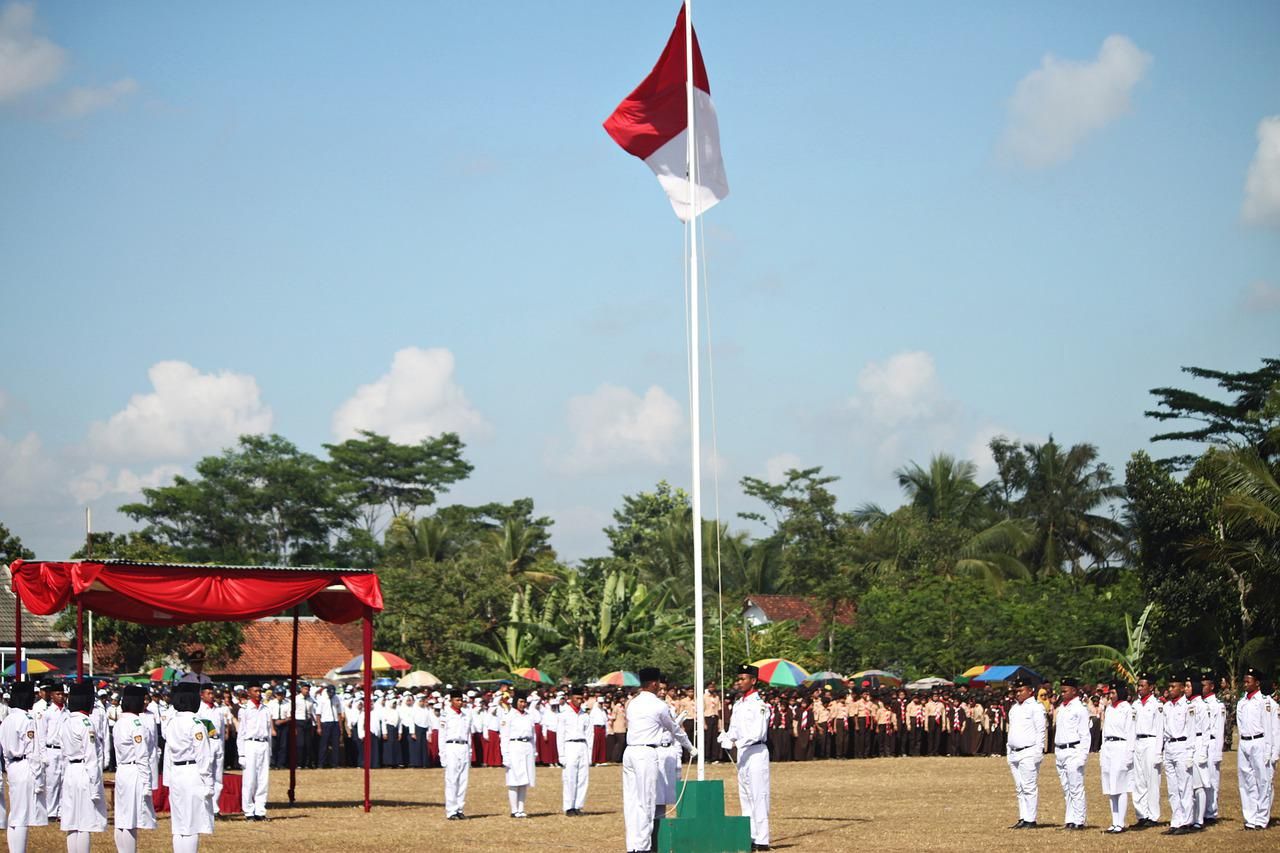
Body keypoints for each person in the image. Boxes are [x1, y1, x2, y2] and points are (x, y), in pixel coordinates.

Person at [622, 667, 692, 853]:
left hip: (630, 752)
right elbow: (674, 729)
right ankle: (643, 847)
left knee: (632, 802)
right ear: (654, 683)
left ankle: (633, 845)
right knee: (647, 801)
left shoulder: (633, 703)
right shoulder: (658, 705)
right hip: (646, 753)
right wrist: (690, 747)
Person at [718, 664, 771, 852]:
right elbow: (735, 729)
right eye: (738, 678)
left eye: (743, 678)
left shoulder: (760, 705)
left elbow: (757, 733)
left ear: (753, 681)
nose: (739, 682)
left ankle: (762, 839)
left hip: (756, 751)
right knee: (745, 796)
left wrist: (735, 743)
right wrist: (726, 737)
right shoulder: (739, 704)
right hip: (743, 754)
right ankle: (749, 835)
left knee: (759, 794)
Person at [165, 683, 214, 852]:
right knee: (193, 825)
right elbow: (203, 755)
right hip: (192, 772)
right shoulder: (196, 723)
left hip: (176, 772)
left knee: (179, 826)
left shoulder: (172, 722)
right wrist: (208, 782)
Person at [60, 682, 107, 853]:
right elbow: (91, 757)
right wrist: (95, 786)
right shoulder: (86, 723)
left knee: (72, 822)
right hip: (84, 771)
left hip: (70, 771)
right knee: (85, 822)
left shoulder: (66, 721)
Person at [2, 681, 48, 852]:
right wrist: (39, 778)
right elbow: (33, 750)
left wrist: (9, 767)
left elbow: (4, 750)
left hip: (13, 766)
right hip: (25, 766)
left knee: (15, 815)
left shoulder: (8, 719)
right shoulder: (26, 719)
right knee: (22, 816)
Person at [112, 685, 156, 853]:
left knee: (121, 819)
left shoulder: (119, 722)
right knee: (130, 821)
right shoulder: (137, 724)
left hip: (122, 770)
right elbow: (142, 755)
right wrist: (147, 783)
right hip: (134, 771)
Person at [1235, 667, 1275, 831]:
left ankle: (1261, 818)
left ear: (1257, 683)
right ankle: (1250, 817)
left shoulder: (1264, 702)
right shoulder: (1242, 702)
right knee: (1246, 781)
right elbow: (1240, 725)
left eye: (1248, 681)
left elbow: (1270, 728)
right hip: (1244, 742)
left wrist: (1269, 751)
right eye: (1244, 681)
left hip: (1259, 741)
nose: (1245, 684)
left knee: (1262, 781)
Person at [1006, 678, 1046, 829]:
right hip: (1014, 752)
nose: (1018, 694)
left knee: (1029, 786)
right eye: (1016, 691)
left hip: (1028, 751)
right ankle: (1023, 817)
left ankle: (1031, 819)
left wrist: (1038, 751)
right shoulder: (1014, 708)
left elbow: (1041, 730)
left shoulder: (1036, 707)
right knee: (1019, 787)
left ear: (1030, 691)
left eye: (1021, 690)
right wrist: (1009, 751)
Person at [1053, 676, 1090, 830]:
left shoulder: (1079, 709)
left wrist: (1082, 756)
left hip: (1073, 750)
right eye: (1061, 691)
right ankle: (1070, 819)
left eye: (1065, 690)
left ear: (1074, 691)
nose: (1062, 693)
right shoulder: (1062, 708)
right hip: (1060, 749)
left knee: (1076, 787)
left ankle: (1079, 820)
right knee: (1066, 788)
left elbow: (1085, 735)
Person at [1098, 680, 1135, 833]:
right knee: (1110, 786)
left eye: (1113, 693)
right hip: (1108, 746)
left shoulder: (1126, 708)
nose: (1111, 696)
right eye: (1109, 693)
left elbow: (1130, 732)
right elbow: (1105, 731)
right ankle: (1114, 821)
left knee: (1120, 786)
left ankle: (1120, 822)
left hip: (1121, 746)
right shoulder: (1109, 709)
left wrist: (1129, 754)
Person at [1160, 673, 1194, 834]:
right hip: (1169, 746)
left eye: (1174, 687)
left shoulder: (1188, 706)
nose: (1170, 689)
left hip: (1182, 745)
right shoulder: (1167, 707)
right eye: (1169, 686)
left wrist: (1190, 753)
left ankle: (1187, 821)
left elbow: (1192, 731)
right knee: (1172, 788)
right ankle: (1176, 820)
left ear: (1182, 688)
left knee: (1184, 786)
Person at [441, 689, 481, 819]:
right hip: (451, 746)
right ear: (451, 700)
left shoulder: (466, 715)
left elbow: (468, 734)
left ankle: (459, 808)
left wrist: (470, 751)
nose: (460, 702)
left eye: (461, 700)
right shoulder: (446, 715)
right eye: (457, 700)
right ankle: (451, 810)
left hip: (463, 746)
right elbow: (442, 736)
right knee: (452, 779)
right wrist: (442, 754)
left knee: (463, 780)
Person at [1130, 672, 1163, 828]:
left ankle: (1153, 816)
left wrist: (1158, 752)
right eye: (1139, 685)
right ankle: (1141, 815)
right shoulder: (1135, 705)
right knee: (1138, 781)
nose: (1139, 688)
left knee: (1152, 780)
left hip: (1151, 741)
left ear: (1151, 687)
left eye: (1143, 685)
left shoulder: (1157, 705)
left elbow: (1160, 729)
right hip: (1138, 742)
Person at [236, 683, 272, 821]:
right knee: (249, 780)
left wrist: (269, 750)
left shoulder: (265, 709)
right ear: (249, 692)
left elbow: (268, 731)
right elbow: (241, 733)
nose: (258, 693)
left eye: (259, 691)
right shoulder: (244, 709)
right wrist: (241, 753)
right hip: (250, 743)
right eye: (255, 691)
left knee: (263, 780)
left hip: (263, 743)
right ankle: (249, 811)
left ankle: (260, 811)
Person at [558, 684, 594, 816]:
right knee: (570, 777)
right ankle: (569, 806)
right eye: (577, 698)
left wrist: (589, 754)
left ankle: (579, 805)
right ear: (571, 698)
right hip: (570, 745)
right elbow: (560, 735)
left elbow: (590, 735)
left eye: (581, 698)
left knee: (583, 777)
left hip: (582, 745)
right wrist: (561, 755)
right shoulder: (564, 714)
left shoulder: (585, 715)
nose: (579, 701)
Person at [500, 690, 537, 818]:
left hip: (527, 747)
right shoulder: (509, 716)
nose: (523, 704)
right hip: (514, 747)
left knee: (525, 779)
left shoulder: (528, 716)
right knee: (514, 779)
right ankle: (514, 809)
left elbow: (533, 735)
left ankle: (521, 809)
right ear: (516, 702)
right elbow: (504, 737)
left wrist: (534, 750)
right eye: (521, 702)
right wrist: (505, 755)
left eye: (525, 702)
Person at [1196, 671, 1225, 826]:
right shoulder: (1199, 703)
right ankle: (1202, 811)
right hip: (1201, 742)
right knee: (1202, 779)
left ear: (1212, 686)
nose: (1202, 688)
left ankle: (1211, 813)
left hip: (1213, 743)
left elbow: (1219, 730)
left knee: (1212, 779)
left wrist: (1218, 752)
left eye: (1204, 685)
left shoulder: (1217, 705)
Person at [193, 685, 226, 818]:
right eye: (209, 693)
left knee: (218, 777)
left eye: (212, 693)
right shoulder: (200, 710)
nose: (211, 696)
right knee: (207, 775)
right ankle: (205, 807)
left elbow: (222, 730)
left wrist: (222, 745)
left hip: (217, 742)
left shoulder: (218, 710)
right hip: (207, 742)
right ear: (202, 695)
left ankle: (215, 807)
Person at [37, 681, 68, 821]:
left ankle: (61, 811)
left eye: (62, 694)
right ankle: (50, 811)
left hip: (64, 750)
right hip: (51, 749)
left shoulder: (67, 713)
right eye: (58, 694)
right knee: (52, 782)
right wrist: (43, 755)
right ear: (52, 695)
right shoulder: (48, 713)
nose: (61, 697)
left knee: (64, 781)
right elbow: (42, 735)